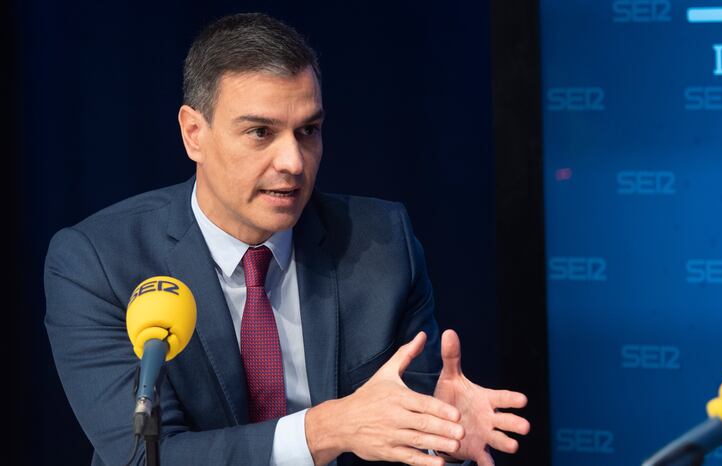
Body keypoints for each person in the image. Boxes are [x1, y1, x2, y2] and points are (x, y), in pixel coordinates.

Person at [44, 12, 529, 466]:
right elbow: (147, 456)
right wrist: (323, 430)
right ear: (194, 133)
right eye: (261, 132)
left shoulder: (381, 243)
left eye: (308, 131)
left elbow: (413, 427)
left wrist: (441, 433)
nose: (294, 162)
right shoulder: (99, 262)